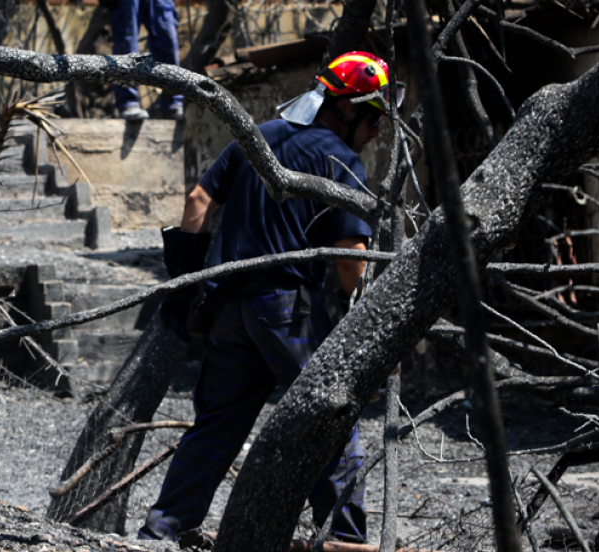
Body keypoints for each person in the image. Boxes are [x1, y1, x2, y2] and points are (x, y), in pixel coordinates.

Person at [139, 51, 406, 543]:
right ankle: (346, 540)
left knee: (216, 426)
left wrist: (183, 282)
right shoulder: (339, 160)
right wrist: (366, 328)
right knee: (334, 417)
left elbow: (198, 202)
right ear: (344, 109)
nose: (376, 132)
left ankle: (163, 529)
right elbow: (351, 259)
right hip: (288, 308)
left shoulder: (257, 136)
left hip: (226, 308)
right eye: (373, 118)